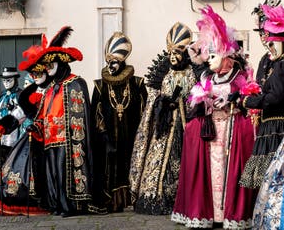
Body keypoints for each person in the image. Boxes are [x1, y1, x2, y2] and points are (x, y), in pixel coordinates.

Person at [171, 6, 257, 229]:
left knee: (227, 173)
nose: (208, 60)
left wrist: (234, 100)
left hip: (231, 132)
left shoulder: (238, 77)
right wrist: (202, 100)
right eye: (207, 55)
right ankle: (211, 213)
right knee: (210, 173)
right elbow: (196, 98)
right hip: (211, 135)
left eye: (213, 55)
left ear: (226, 56)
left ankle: (228, 213)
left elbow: (249, 100)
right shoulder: (207, 77)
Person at [129, 22, 196, 215]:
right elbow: (155, 100)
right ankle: (157, 196)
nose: (173, 57)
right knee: (158, 163)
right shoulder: (165, 75)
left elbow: (194, 99)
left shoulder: (191, 74)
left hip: (184, 127)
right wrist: (163, 103)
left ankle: (182, 198)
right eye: (171, 54)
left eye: (177, 53)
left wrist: (181, 103)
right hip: (164, 126)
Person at [26, 25, 93, 217]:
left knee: (65, 173)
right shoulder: (49, 89)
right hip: (50, 140)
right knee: (53, 175)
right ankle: (56, 204)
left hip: (67, 140)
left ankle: (69, 206)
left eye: (51, 64)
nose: (47, 68)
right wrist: (36, 126)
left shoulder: (75, 83)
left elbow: (80, 116)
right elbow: (43, 115)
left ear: (60, 63)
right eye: (45, 65)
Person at [245, 3, 284, 229]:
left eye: (272, 42)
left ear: (282, 42)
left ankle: (271, 218)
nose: (269, 46)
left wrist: (252, 101)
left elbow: (275, 96)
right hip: (280, 124)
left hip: (277, 126)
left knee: (273, 177)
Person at [0, 42, 51, 215]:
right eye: (33, 73)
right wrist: (5, 124)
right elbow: (20, 113)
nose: (36, 76)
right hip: (30, 138)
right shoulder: (28, 94)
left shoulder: (53, 90)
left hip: (50, 137)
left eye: (39, 73)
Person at [90, 32, 147, 213]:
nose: (110, 65)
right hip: (108, 139)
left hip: (131, 136)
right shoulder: (100, 86)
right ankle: (112, 202)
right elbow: (96, 113)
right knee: (111, 169)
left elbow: (145, 112)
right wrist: (104, 136)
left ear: (122, 62)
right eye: (108, 62)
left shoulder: (137, 84)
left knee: (130, 164)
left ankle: (132, 199)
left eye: (114, 62)